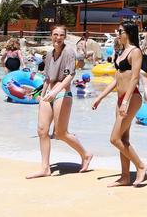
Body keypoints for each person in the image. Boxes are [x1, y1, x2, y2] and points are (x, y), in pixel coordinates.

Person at [26, 25, 93, 179]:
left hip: (62, 93)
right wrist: (42, 95)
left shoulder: (69, 52)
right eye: (55, 34)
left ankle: (86, 154)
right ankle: (45, 168)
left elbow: (70, 76)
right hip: (48, 93)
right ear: (51, 35)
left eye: (61, 35)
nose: (58, 37)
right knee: (42, 131)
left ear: (65, 37)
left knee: (60, 133)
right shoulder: (49, 54)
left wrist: (55, 91)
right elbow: (47, 78)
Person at [92, 21, 147, 186]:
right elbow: (116, 79)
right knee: (123, 138)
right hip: (120, 99)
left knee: (114, 138)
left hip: (131, 98)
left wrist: (126, 101)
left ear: (128, 33)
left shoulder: (135, 51)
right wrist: (100, 97)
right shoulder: (122, 52)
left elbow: (135, 78)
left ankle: (141, 166)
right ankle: (125, 177)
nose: (118, 34)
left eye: (120, 31)